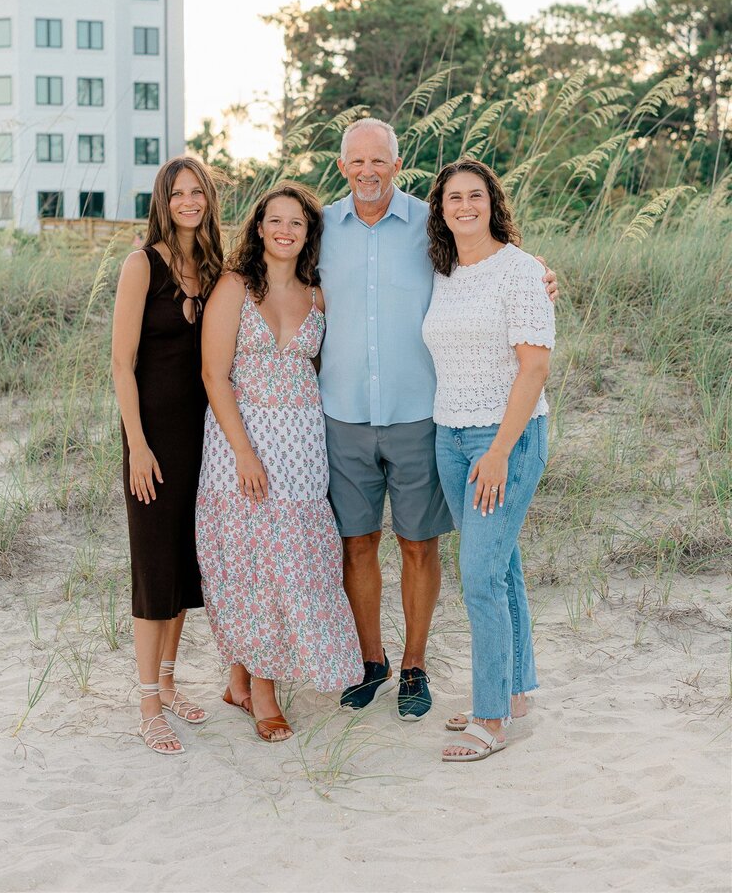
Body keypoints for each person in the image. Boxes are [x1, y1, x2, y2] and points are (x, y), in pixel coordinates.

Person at [318, 118, 557, 720]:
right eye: (356, 162)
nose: (368, 171)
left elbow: (493, 264)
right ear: (342, 166)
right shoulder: (319, 228)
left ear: (398, 167)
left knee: (421, 544)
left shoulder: (431, 227)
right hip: (343, 414)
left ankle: (415, 667)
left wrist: (539, 276)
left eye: (380, 161)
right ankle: (371, 663)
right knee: (358, 542)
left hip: (421, 417)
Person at [196, 182, 363, 742]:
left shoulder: (318, 295)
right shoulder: (234, 287)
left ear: (308, 233)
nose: (285, 231)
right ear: (260, 228)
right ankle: (262, 693)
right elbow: (214, 376)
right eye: (276, 221)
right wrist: (244, 451)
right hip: (240, 443)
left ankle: (240, 678)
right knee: (254, 565)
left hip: (302, 446)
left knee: (289, 559)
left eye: (297, 223)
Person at [422, 158, 554, 761]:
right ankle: (514, 690)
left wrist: (499, 450)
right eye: (453, 198)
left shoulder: (521, 271)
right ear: (440, 209)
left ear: (492, 203)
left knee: (478, 577)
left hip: (506, 441)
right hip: (449, 436)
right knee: (502, 568)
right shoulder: (444, 272)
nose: (465, 207)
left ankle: (491, 717)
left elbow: (534, 366)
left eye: (475, 196)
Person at [112, 156, 223, 755]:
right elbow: (120, 363)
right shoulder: (141, 264)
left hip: (201, 440)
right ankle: (148, 703)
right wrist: (136, 445)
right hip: (150, 440)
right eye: (178, 192)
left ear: (208, 198)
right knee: (154, 571)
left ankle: (172, 684)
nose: (188, 201)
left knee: (183, 568)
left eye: (197, 191)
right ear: (163, 199)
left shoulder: (212, 267)